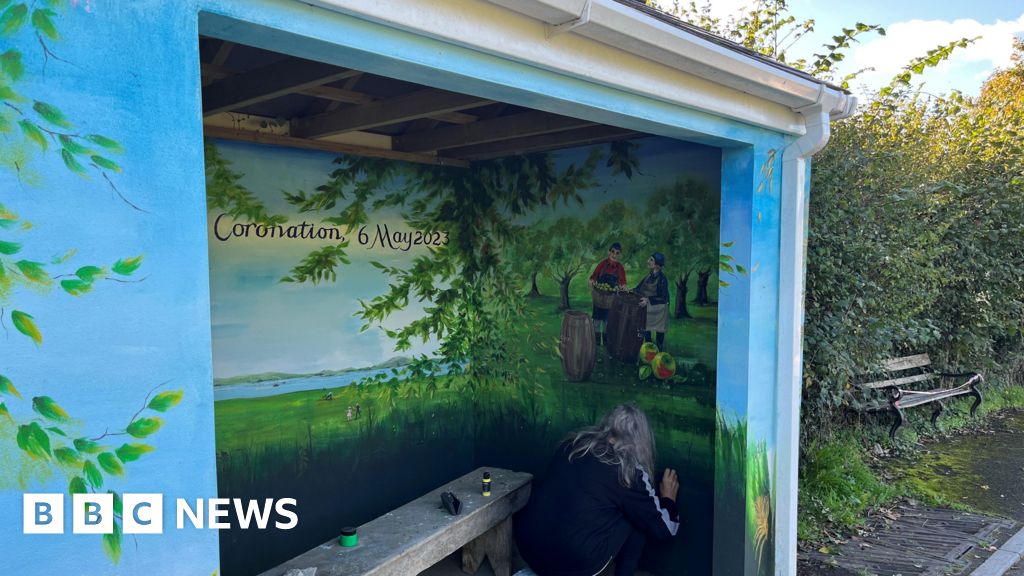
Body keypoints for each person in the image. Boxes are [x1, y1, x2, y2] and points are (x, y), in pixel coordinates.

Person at [515, 404, 680, 576]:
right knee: (636, 519)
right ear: (642, 439)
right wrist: (668, 499)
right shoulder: (628, 472)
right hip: (571, 564)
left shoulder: (572, 445)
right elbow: (665, 530)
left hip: (528, 549)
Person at [588, 242, 628, 346]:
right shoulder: (602, 264)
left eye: (617, 253)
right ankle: (596, 343)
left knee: (607, 323)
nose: (614, 255)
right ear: (608, 252)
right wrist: (591, 281)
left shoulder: (620, 268)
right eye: (612, 252)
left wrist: (623, 287)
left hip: (611, 300)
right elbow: (594, 276)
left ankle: (606, 343)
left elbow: (623, 282)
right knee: (596, 321)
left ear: (620, 255)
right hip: (599, 297)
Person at [635, 252, 669, 351]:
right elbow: (638, 289)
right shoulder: (648, 276)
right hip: (648, 308)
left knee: (659, 333)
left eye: (651, 260)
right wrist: (629, 291)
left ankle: (659, 353)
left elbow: (664, 298)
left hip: (659, 309)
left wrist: (648, 300)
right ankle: (648, 352)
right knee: (646, 329)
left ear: (657, 264)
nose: (648, 261)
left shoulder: (662, 279)